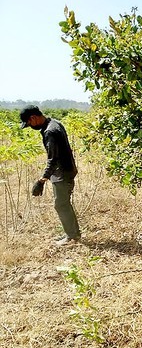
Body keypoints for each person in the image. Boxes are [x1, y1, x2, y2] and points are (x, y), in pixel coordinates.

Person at [20, 105, 81, 245]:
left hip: (62, 173)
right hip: (67, 170)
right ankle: (74, 234)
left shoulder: (50, 132)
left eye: (29, 124)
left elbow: (53, 160)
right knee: (64, 204)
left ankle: (72, 237)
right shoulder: (55, 123)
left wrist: (42, 180)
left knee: (61, 205)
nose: (30, 126)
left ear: (33, 118)